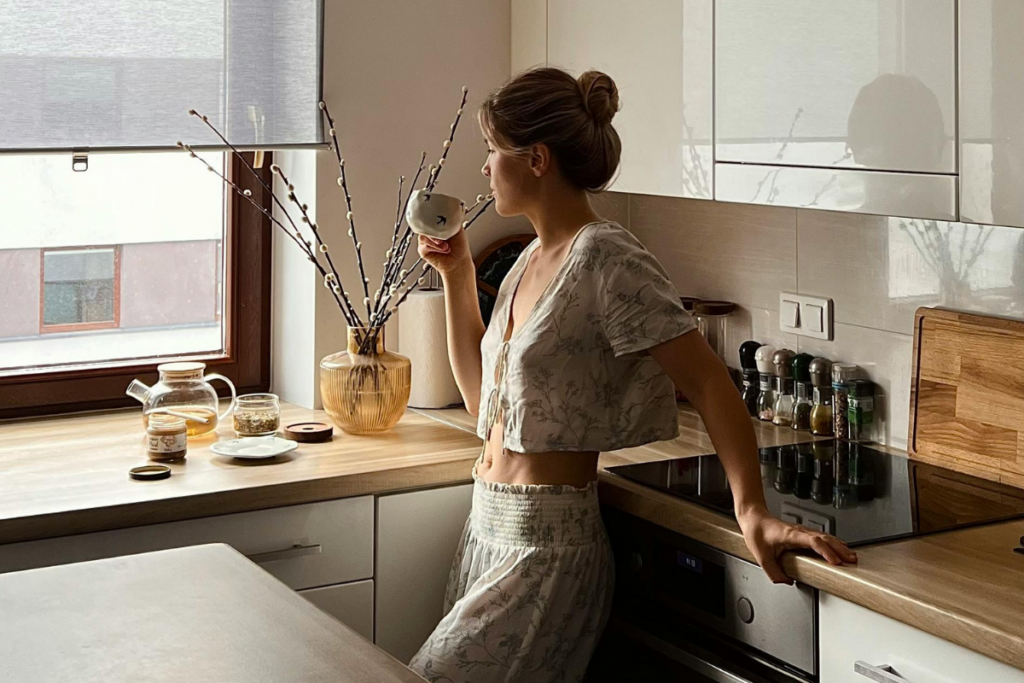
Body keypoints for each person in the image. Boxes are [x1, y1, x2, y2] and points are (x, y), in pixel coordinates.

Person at [409, 67, 857, 683]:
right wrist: (459, 277)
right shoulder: (530, 259)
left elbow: (707, 382)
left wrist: (751, 507)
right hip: (486, 529)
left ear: (536, 159)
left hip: (547, 550)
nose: (484, 168)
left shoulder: (607, 256)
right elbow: (482, 402)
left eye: (492, 151)